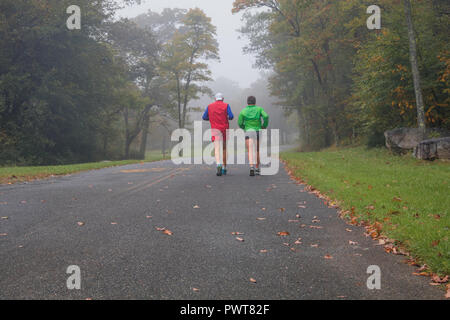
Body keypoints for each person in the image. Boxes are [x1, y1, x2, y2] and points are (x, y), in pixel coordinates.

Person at [202, 93, 234, 176]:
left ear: (215, 99)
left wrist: (212, 117)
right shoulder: (226, 105)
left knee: (217, 148)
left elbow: (204, 117)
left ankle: (218, 164)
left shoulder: (209, 106)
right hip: (224, 129)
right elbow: (231, 116)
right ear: (222, 98)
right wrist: (226, 117)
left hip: (215, 129)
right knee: (224, 149)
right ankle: (224, 168)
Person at [238, 96, 269, 176]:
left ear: (247, 102)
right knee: (257, 150)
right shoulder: (259, 109)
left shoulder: (243, 111)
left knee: (250, 150)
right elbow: (266, 116)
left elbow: (240, 123)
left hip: (248, 131)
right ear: (255, 102)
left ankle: (251, 167)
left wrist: (244, 127)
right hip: (258, 131)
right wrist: (264, 125)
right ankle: (257, 168)